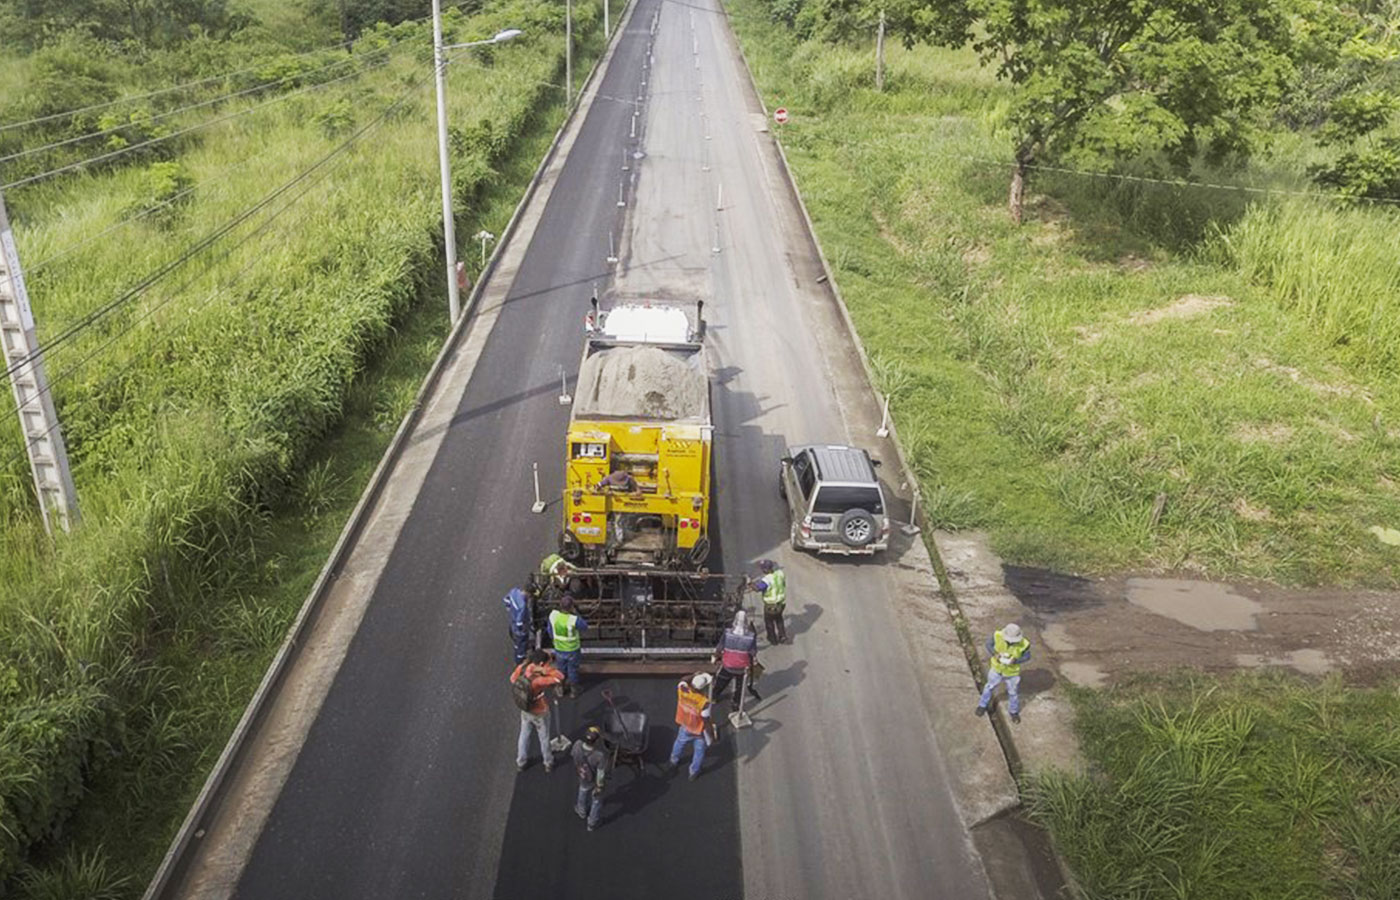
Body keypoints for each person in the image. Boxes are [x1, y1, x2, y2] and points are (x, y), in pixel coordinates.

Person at [511, 649, 564, 772]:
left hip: (525, 709)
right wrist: (545, 670)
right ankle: (548, 762)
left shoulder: (523, 669)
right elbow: (559, 677)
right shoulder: (538, 680)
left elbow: (512, 679)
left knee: (524, 735)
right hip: (540, 711)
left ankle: (521, 762)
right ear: (540, 664)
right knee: (544, 738)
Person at [975, 622, 1032, 724]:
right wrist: (995, 654)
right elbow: (988, 644)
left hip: (1012, 673)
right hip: (996, 668)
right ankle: (982, 705)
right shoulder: (997, 635)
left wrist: (1016, 661)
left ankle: (1013, 712)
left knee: (1013, 693)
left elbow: (1027, 656)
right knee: (989, 687)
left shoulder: (1024, 644)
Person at [668, 672, 713, 780]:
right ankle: (694, 772)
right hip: (699, 730)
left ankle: (674, 760)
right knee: (699, 751)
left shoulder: (683, 689)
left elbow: (683, 678)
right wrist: (711, 735)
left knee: (679, 743)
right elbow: (706, 721)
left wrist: (695, 675)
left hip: (685, 725)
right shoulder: (704, 703)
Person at [710, 610, 761, 707]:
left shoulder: (728, 633)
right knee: (740, 687)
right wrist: (754, 660)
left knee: (721, 682)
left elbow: (720, 646)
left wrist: (715, 656)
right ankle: (736, 703)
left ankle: (713, 697)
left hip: (728, 665)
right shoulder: (751, 636)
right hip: (742, 668)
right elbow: (753, 651)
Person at [571, 725, 610, 831]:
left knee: (582, 790)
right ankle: (592, 822)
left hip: (582, 776)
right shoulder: (599, 755)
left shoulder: (577, 745)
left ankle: (581, 810)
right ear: (596, 742)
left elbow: (573, 756)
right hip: (594, 780)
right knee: (596, 800)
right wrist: (599, 786)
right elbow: (601, 773)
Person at [548, 594, 588, 696]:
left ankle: (560, 688)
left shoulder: (553, 616)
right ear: (571, 607)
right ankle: (574, 691)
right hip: (572, 650)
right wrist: (576, 613)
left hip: (559, 649)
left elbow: (549, 630)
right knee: (572, 670)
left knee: (561, 669)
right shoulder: (573, 619)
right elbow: (584, 626)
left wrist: (554, 640)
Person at [749, 559, 787, 644]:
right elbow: (783, 584)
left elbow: (757, 588)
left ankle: (772, 639)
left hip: (771, 606)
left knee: (769, 622)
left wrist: (750, 584)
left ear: (766, 569)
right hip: (781, 603)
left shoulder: (767, 580)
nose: (762, 570)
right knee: (779, 619)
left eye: (763, 569)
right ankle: (782, 635)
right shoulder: (780, 573)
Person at [503, 587, 532, 664]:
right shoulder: (522, 605)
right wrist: (523, 631)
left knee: (517, 643)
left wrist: (510, 609)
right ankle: (520, 660)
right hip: (519, 629)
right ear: (528, 594)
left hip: (513, 623)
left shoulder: (514, 591)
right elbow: (520, 622)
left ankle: (517, 652)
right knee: (521, 644)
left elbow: (506, 600)